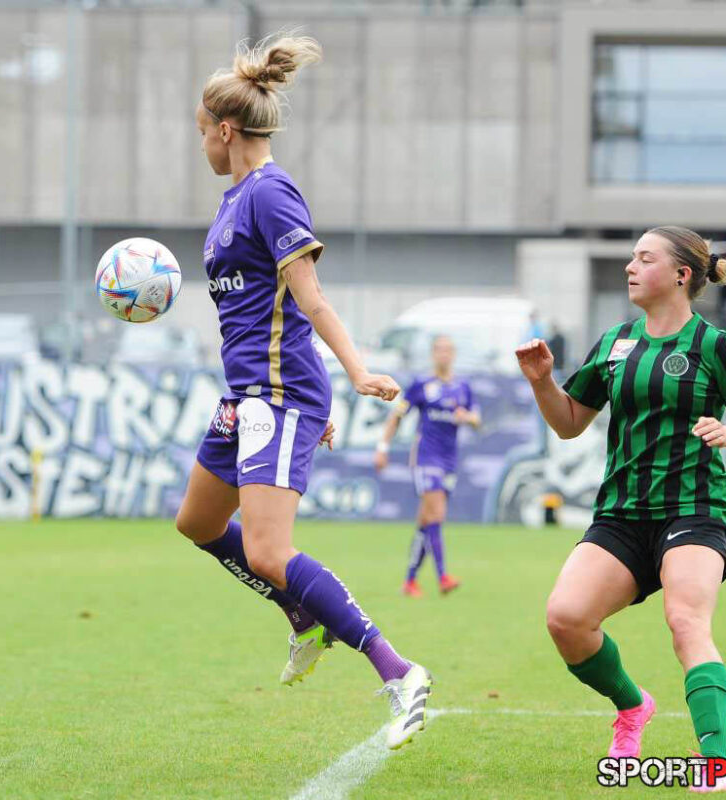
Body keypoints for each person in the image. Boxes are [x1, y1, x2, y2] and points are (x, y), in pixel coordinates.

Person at [176, 33, 432, 750]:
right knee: (197, 523)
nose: (202, 144)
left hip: (278, 392)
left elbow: (311, 298)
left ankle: (400, 671)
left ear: (226, 130)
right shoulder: (233, 202)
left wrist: (354, 373)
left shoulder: (269, 192)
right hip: (249, 395)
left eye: (202, 131)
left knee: (267, 552)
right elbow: (269, 312)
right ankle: (302, 615)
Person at [516, 226, 726, 789]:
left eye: (644, 258)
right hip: (622, 515)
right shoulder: (615, 342)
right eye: (631, 257)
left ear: (681, 275)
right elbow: (569, 424)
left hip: (695, 510)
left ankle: (716, 760)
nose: (630, 267)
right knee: (566, 619)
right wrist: (542, 383)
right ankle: (633, 706)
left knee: (686, 621)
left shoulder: (713, 345)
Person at [374, 335, 481, 597]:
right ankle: (443, 576)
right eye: (439, 350)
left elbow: (477, 420)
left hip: (449, 461)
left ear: (453, 354)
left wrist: (466, 417)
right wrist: (383, 448)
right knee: (437, 514)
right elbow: (397, 415)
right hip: (426, 458)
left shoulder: (462, 387)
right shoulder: (422, 384)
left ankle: (409, 581)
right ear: (433, 354)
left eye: (448, 350)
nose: (443, 354)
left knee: (426, 521)